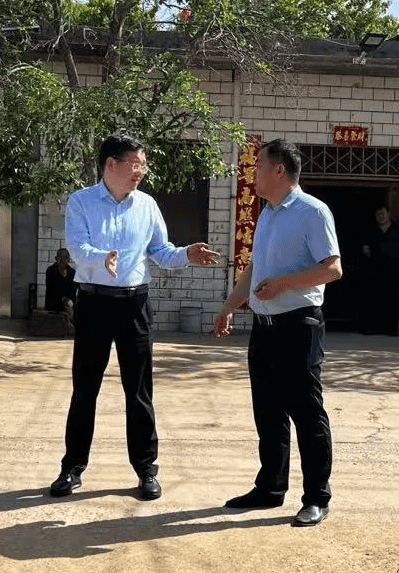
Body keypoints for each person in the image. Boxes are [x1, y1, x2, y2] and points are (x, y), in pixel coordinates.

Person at [49, 134, 219, 500]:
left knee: (139, 392)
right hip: (93, 303)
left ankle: (146, 470)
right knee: (85, 389)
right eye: (135, 164)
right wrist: (101, 258)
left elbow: (160, 251)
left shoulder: (147, 205)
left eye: (143, 164)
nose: (141, 171)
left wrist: (187, 253)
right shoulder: (81, 202)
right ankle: (72, 468)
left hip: (135, 304)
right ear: (111, 164)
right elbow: (77, 248)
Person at [214, 138, 341, 528]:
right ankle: (270, 488)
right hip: (264, 329)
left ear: (279, 171)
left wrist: (285, 283)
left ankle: (317, 497)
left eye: (259, 167)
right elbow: (253, 270)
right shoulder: (267, 213)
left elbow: (332, 268)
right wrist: (228, 307)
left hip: (298, 327)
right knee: (267, 412)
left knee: (306, 411)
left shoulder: (312, 212)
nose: (254, 174)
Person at [361, 204, 399, 336]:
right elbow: (365, 248)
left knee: (392, 299)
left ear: (388, 214)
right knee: (374, 299)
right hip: (375, 271)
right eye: (378, 214)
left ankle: (392, 328)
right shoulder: (371, 230)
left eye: (383, 213)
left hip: (393, 272)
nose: (381, 216)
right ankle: (373, 328)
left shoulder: (396, 229)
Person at [44, 247, 77, 315]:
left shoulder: (72, 273)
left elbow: (73, 291)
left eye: (65, 258)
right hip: (53, 307)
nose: (62, 260)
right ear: (56, 259)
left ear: (68, 260)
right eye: (60, 258)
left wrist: (70, 304)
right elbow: (51, 289)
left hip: (68, 308)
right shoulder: (51, 271)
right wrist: (63, 299)